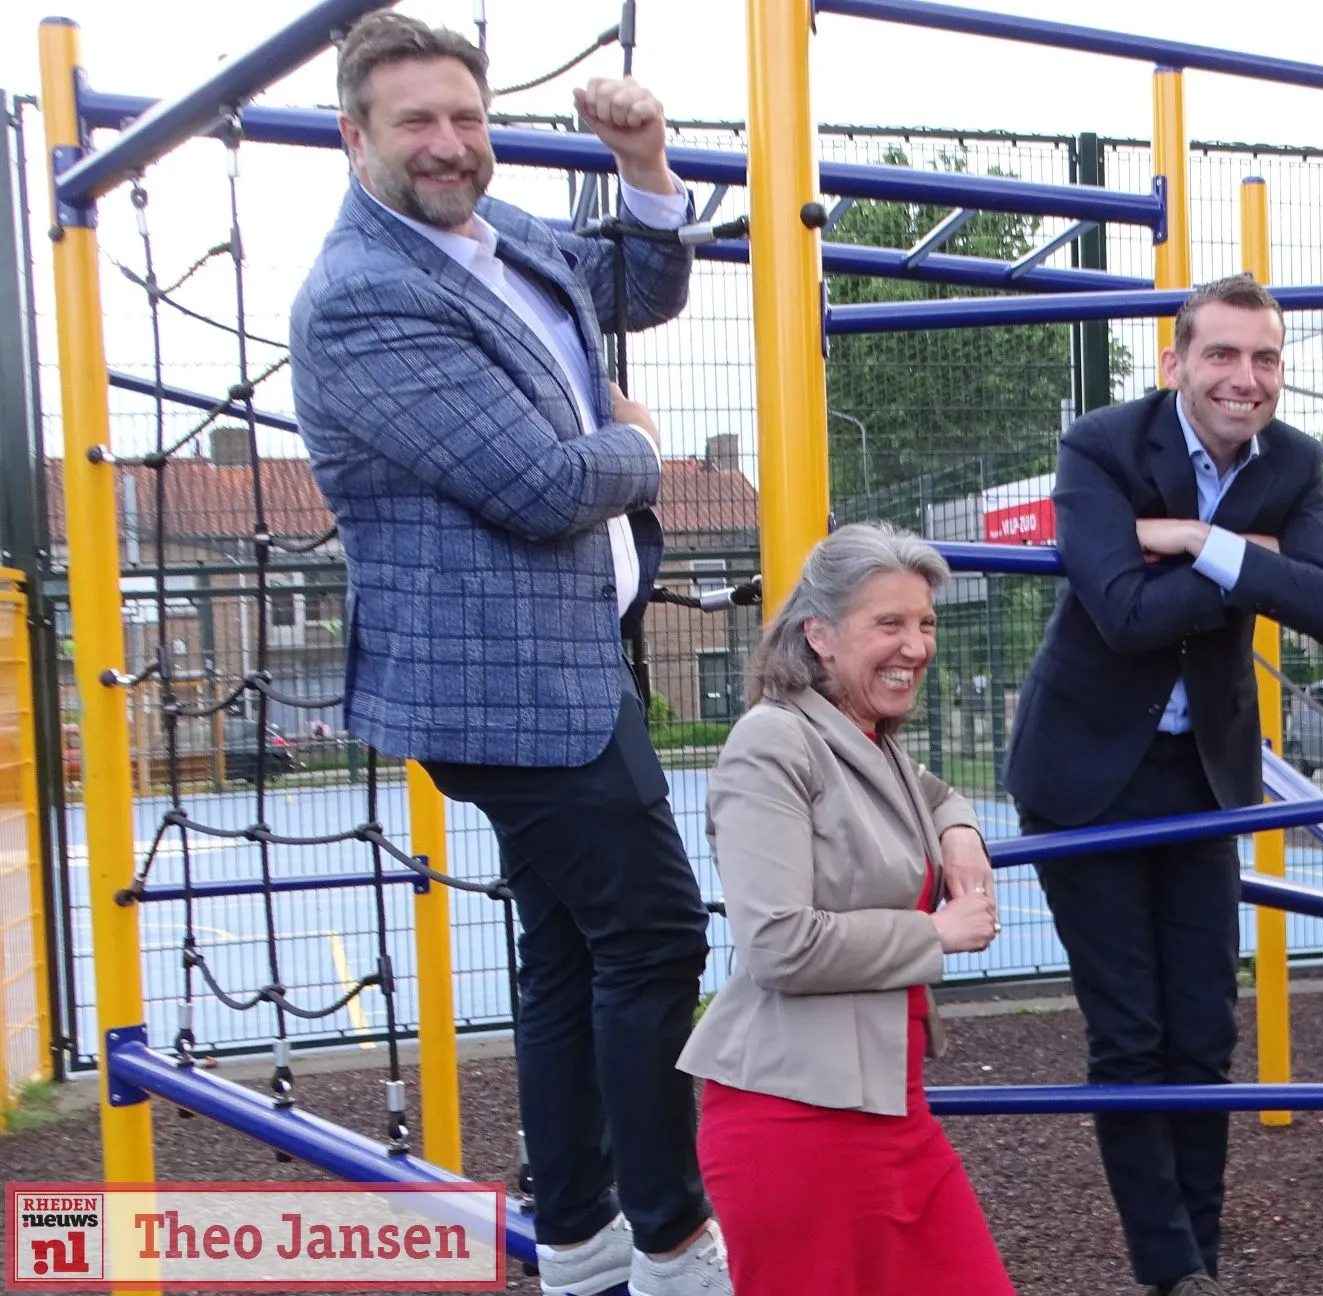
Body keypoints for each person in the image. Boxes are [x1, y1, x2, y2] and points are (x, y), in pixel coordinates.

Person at [288, 14, 723, 1295]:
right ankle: (674, 1241)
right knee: (651, 935)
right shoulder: (365, 293)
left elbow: (639, 283)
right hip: (507, 688)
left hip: (580, 655)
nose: (448, 143)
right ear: (352, 134)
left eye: (465, 117)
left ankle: (580, 1242)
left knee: (572, 948)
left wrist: (643, 163)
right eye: (415, 120)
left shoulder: (495, 235)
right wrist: (647, 448)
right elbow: (536, 484)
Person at [1004, 274, 1323, 1296]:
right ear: (1174, 366)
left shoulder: (1290, 460)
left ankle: (1196, 1258)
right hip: (1088, 773)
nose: (1243, 381)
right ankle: (1170, 1273)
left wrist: (1196, 542)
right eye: (1220, 355)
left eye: (1263, 359)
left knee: (1202, 1031)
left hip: (1201, 774)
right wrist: (1250, 567)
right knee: (1132, 1033)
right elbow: (1115, 610)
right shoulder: (1104, 446)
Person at [680, 523, 1013, 1296]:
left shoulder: (867, 736)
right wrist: (934, 931)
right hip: (797, 1120)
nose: (916, 645)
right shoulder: (771, 743)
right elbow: (777, 944)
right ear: (819, 635)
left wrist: (957, 826)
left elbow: (922, 791)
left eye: (925, 623)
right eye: (888, 624)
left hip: (890, 1111)